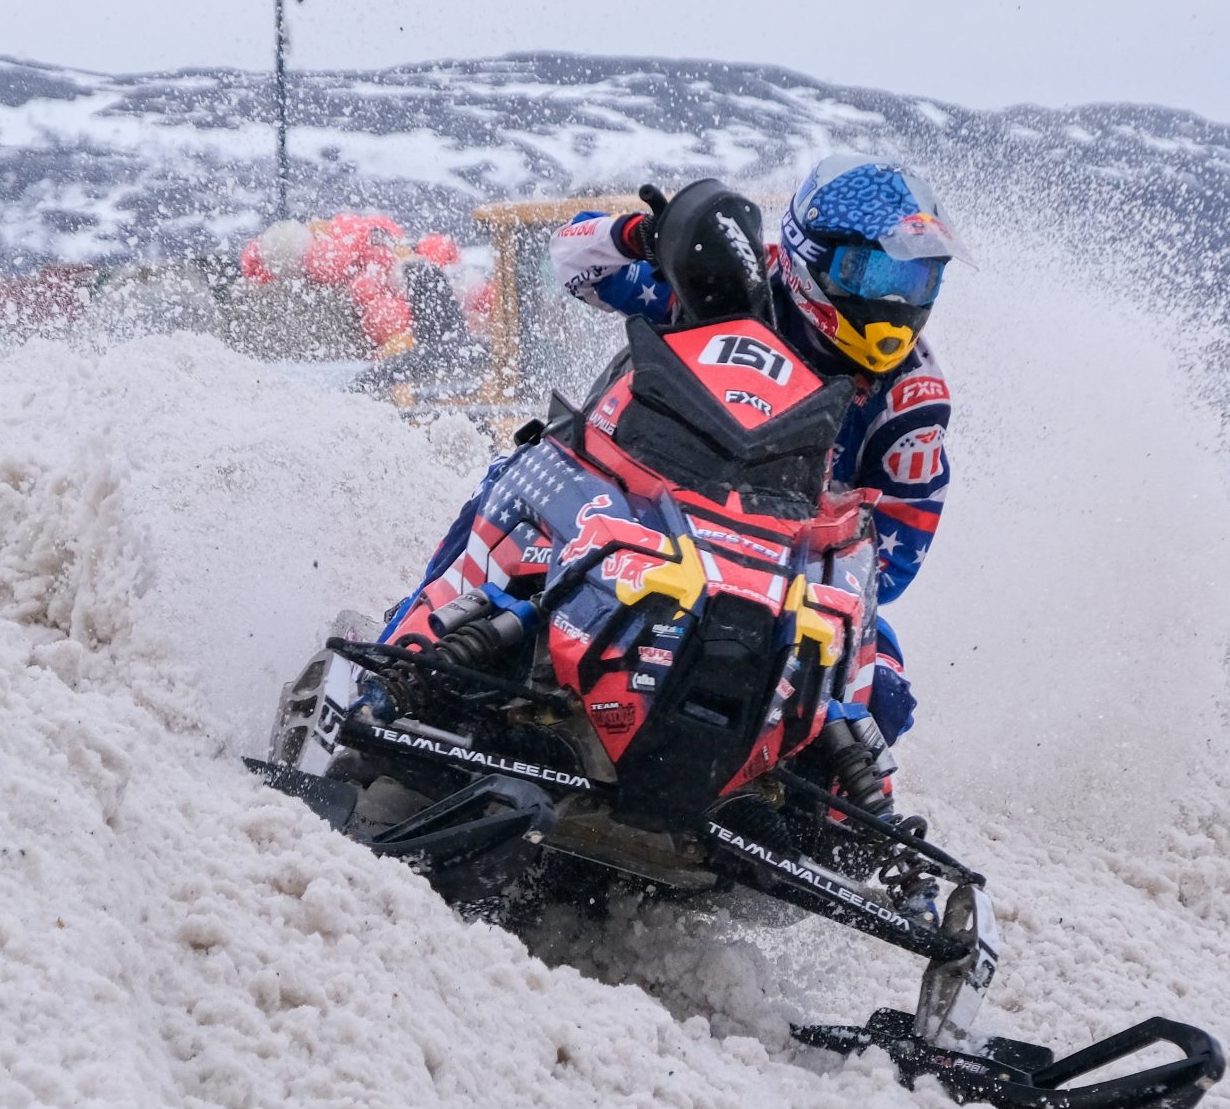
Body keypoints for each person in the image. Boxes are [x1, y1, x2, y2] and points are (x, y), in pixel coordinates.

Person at [390, 154, 964, 743]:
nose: (897, 302)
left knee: (883, 685)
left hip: (778, 560)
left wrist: (817, 534)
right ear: (810, 254)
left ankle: (808, 788)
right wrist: (640, 237)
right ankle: (394, 665)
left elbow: (887, 568)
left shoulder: (914, 403)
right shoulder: (727, 277)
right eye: (875, 273)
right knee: (518, 478)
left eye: (917, 280)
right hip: (630, 497)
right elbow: (571, 258)